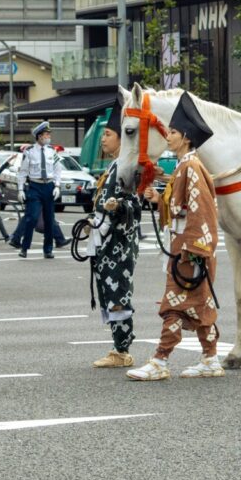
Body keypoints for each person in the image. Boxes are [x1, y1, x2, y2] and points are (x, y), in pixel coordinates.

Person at [127, 91, 223, 382]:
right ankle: (210, 358)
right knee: (200, 304)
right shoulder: (185, 166)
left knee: (173, 305)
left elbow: (202, 210)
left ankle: (160, 360)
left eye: (172, 132)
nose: (167, 136)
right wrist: (159, 200)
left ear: (186, 138)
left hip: (189, 249)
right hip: (189, 247)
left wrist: (195, 248)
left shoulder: (191, 167)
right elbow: (183, 207)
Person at [87, 102, 142, 369]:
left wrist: (117, 206)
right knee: (109, 293)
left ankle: (122, 350)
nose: (103, 139)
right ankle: (118, 346)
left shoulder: (126, 168)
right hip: (105, 241)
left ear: (122, 138)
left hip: (119, 244)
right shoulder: (113, 166)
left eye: (108, 134)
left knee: (118, 294)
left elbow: (135, 206)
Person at [15, 121, 62, 259]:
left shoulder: (52, 151)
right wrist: (20, 190)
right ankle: (24, 248)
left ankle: (48, 250)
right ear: (39, 136)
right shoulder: (29, 151)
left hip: (49, 186)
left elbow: (57, 170)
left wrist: (57, 186)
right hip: (35, 186)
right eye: (47, 134)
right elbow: (23, 172)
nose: (49, 137)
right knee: (32, 218)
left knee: (49, 219)